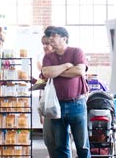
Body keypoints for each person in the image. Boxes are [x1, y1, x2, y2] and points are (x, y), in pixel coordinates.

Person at [41, 26, 90, 158]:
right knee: (61, 146)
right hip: (58, 105)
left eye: (54, 35)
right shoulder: (48, 57)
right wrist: (67, 66)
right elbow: (46, 72)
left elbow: (79, 71)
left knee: (82, 145)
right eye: (49, 36)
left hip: (77, 104)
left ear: (64, 38)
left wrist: (56, 72)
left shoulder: (76, 52)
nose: (50, 38)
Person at [39, 34, 57, 158]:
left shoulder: (57, 60)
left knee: (58, 139)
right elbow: (43, 84)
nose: (45, 46)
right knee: (48, 138)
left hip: (58, 103)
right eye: (43, 44)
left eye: (47, 43)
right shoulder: (45, 60)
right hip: (47, 102)